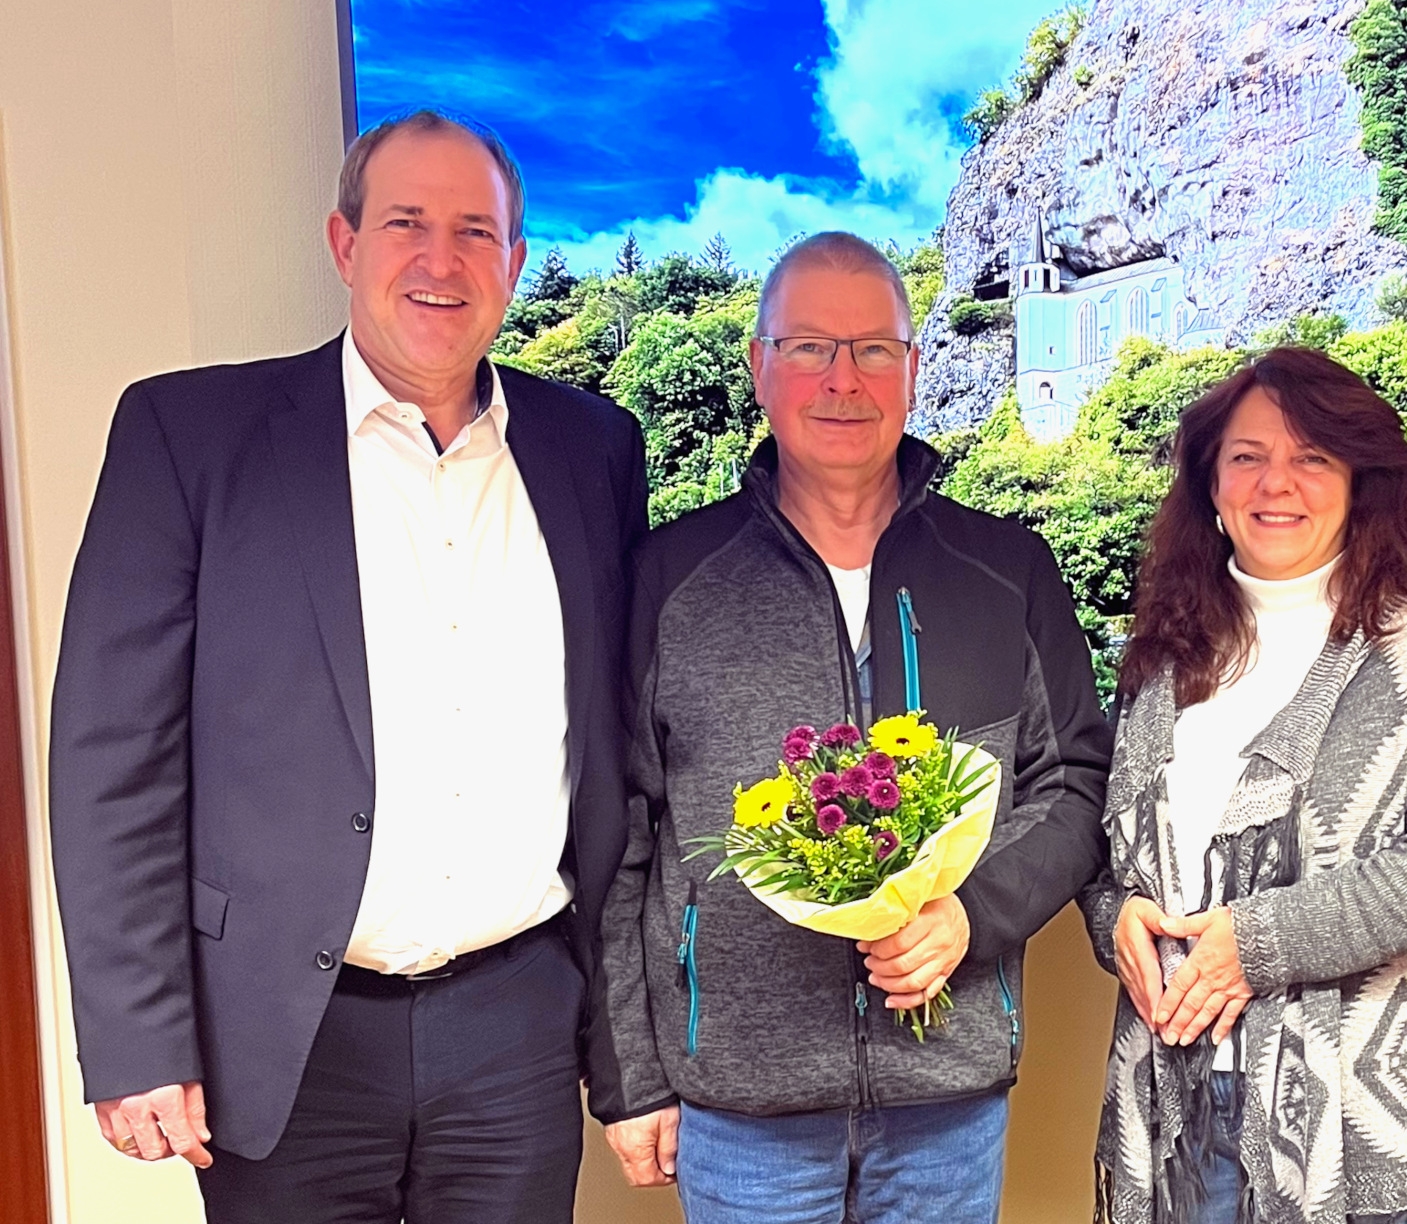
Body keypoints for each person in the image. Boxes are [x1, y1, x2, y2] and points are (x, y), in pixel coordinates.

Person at [49, 109, 648, 1221]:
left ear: (515, 263)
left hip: (514, 1025)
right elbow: (112, 761)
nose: (441, 259)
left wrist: (623, 1042)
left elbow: (610, 757)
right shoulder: (192, 435)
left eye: (476, 231)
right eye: (407, 223)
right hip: (282, 1031)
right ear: (344, 244)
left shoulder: (593, 450)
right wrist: (137, 1036)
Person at [587, 231, 1111, 1223]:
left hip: (947, 1099)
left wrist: (972, 915)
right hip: (742, 1103)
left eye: (873, 349)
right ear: (758, 366)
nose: (843, 379)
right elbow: (623, 833)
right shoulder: (668, 579)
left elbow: (1076, 782)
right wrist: (631, 1073)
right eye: (809, 347)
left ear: (914, 370)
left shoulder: (1007, 567)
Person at [1080, 347, 1407, 1224]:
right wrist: (1111, 918)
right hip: (1172, 1113)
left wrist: (1262, 940)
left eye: (1312, 457)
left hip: (1356, 1124)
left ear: (1360, 482)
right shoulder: (1163, 657)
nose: (1276, 483)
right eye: (1247, 456)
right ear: (1211, 484)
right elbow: (1113, 856)